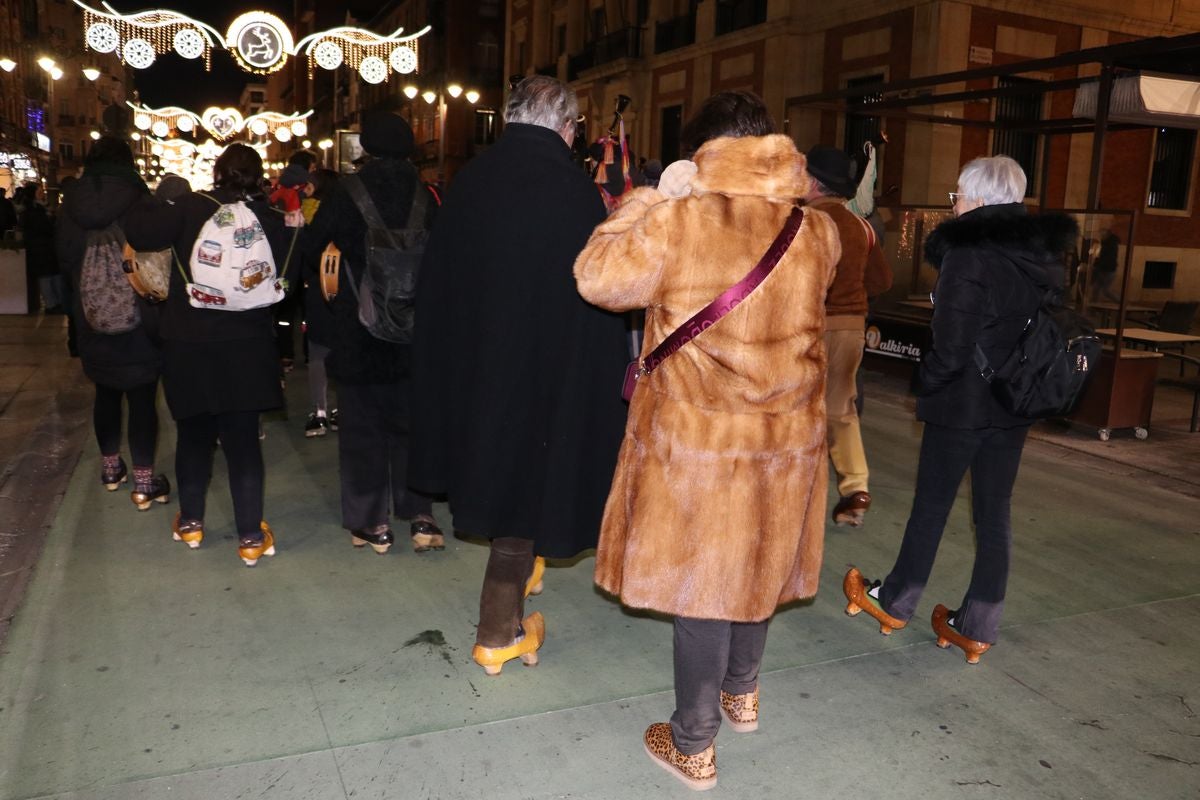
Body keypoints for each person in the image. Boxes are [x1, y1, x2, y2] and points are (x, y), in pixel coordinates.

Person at [574, 90, 840, 791]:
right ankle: (741, 692)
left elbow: (597, 278)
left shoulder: (683, 218)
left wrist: (649, 199)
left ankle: (693, 742)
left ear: (704, 152)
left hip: (697, 436)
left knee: (703, 585)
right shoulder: (817, 229)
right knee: (760, 554)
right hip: (788, 435)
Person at [408, 76, 628, 676]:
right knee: (529, 488)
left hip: (478, 372)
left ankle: (511, 597)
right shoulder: (574, 192)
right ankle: (497, 632)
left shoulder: (471, 181)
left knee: (503, 478)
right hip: (549, 379)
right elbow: (598, 298)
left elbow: (440, 288)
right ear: (568, 124)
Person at [843, 155, 1078, 663]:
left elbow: (951, 345)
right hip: (1014, 402)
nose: (956, 202)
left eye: (958, 194)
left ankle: (897, 600)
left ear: (976, 197)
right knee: (995, 514)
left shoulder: (968, 254)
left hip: (962, 403)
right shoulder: (1043, 255)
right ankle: (978, 624)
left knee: (931, 505)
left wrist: (925, 381)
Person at [124, 144, 297, 568]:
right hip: (248, 347)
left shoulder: (187, 208)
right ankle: (251, 536)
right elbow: (292, 277)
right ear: (260, 178)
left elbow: (139, 232)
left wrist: (159, 197)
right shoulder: (272, 221)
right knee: (242, 443)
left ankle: (192, 524)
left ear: (217, 173)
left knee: (194, 436)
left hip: (189, 343)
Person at [305, 110, 441, 554]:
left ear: (367, 146)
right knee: (412, 426)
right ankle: (420, 517)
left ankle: (372, 524)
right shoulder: (426, 194)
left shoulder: (347, 192)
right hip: (416, 331)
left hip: (360, 329)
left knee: (363, 429)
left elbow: (312, 246)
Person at [55, 136, 167, 509]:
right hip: (140, 315)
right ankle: (144, 483)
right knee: (141, 398)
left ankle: (109, 470)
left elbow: (65, 256)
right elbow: (157, 254)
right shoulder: (140, 199)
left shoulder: (71, 202)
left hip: (91, 313)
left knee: (104, 392)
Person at [803, 145, 893, 527]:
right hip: (853, 328)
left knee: (801, 410)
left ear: (812, 183)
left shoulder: (804, 223)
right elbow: (882, 280)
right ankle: (855, 487)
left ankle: (800, 491)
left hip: (811, 328)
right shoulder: (861, 226)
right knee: (841, 409)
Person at [300, 168, 340, 436]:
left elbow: (307, 253)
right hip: (344, 288)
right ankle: (340, 410)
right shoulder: (347, 212)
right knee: (343, 349)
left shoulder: (309, 215)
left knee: (318, 352)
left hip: (318, 288)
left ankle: (320, 411)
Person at [1087, 227, 1120, 304]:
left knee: (1104, 290)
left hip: (1108, 270)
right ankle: (1094, 304)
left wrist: (1098, 266)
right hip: (1106, 269)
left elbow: (1107, 257)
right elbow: (1102, 256)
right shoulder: (1106, 243)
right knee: (1097, 288)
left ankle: (1120, 302)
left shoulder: (1110, 244)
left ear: (1107, 233)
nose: (1101, 235)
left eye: (1102, 233)